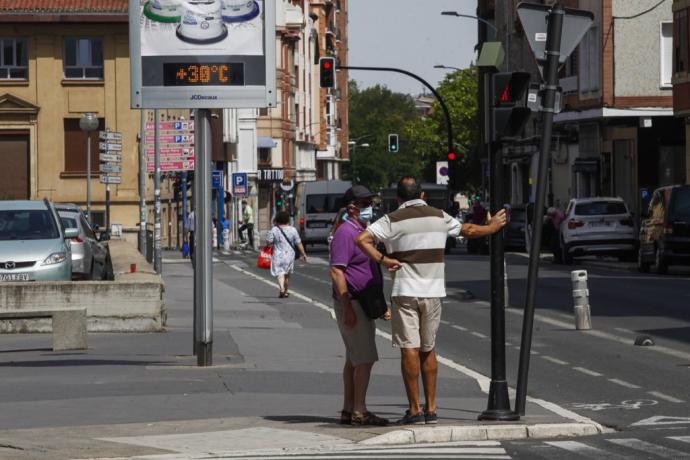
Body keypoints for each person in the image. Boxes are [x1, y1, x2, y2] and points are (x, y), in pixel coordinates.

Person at [356, 176, 506, 425]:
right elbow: (467, 230)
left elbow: (361, 239)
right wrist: (491, 227)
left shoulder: (391, 219)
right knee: (429, 349)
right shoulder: (439, 216)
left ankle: (414, 409)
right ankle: (432, 407)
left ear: (398, 198)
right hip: (433, 291)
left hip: (405, 291)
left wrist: (383, 260)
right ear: (422, 196)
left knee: (409, 349)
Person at [330, 185, 390, 427]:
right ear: (352, 207)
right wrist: (348, 307)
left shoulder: (359, 229)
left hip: (359, 301)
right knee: (364, 359)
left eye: (370, 203)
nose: (370, 208)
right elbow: (336, 271)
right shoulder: (347, 232)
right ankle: (359, 411)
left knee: (354, 360)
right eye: (365, 204)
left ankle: (348, 409)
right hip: (353, 301)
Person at [266, 211, 307, 298]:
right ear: (287, 219)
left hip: (278, 254)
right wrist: (303, 254)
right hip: (289, 255)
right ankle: (286, 291)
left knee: (280, 273)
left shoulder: (274, 229)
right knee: (287, 274)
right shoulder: (293, 230)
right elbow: (298, 243)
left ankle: (281, 289)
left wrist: (272, 243)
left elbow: (269, 242)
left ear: (277, 219)